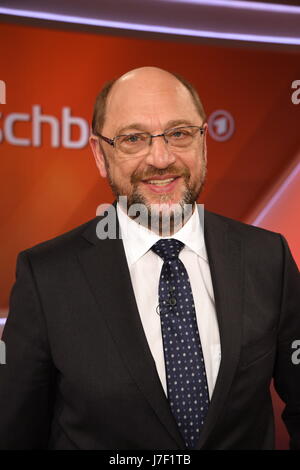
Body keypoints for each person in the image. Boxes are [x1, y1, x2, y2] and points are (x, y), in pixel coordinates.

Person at [0, 66, 299, 450]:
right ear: (100, 154)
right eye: (133, 139)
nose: (160, 158)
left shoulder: (266, 257)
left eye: (179, 134)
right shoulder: (46, 278)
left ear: (204, 142)